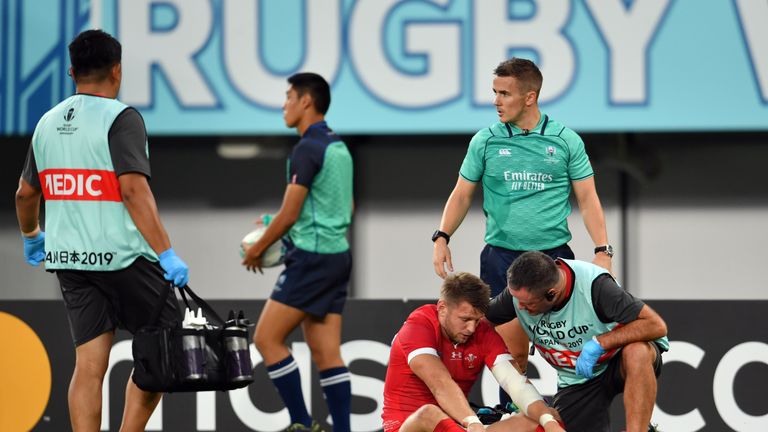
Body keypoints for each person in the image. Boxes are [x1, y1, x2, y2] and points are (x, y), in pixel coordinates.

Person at [14, 29, 189, 431]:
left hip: (71, 262)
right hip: (126, 260)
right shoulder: (121, 118)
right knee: (163, 347)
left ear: (71, 72)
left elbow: (25, 194)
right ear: (117, 70)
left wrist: (31, 236)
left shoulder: (46, 122)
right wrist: (166, 252)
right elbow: (132, 189)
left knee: (89, 367)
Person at [432, 57, 612, 296]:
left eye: (505, 94)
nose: (496, 101)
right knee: (501, 333)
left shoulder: (566, 141)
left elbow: (588, 199)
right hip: (500, 258)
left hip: (554, 257)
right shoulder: (484, 141)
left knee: (555, 333)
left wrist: (603, 251)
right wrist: (442, 237)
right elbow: (462, 195)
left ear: (530, 98)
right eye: (495, 92)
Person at [242, 72, 353, 432]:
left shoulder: (307, 147)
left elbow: (292, 214)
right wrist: (277, 220)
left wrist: (257, 249)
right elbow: (343, 207)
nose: (284, 104)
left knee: (266, 338)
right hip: (338, 257)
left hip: (312, 260)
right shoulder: (339, 147)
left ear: (306, 101)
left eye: (289, 96)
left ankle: (301, 423)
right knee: (326, 353)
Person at [486, 251, 668, 432]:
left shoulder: (597, 286)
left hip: (618, 359)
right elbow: (479, 321)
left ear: (552, 294)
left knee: (637, 351)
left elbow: (656, 325)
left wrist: (600, 343)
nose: (519, 307)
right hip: (578, 378)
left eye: (528, 304)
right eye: (516, 299)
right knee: (553, 425)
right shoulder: (519, 296)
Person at [382, 272, 565, 432]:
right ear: (442, 308)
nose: (471, 328)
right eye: (465, 319)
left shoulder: (482, 330)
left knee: (546, 415)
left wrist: (548, 421)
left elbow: (513, 381)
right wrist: (472, 421)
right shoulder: (419, 324)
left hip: (460, 427)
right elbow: (440, 383)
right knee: (428, 413)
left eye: (476, 320)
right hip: (407, 426)